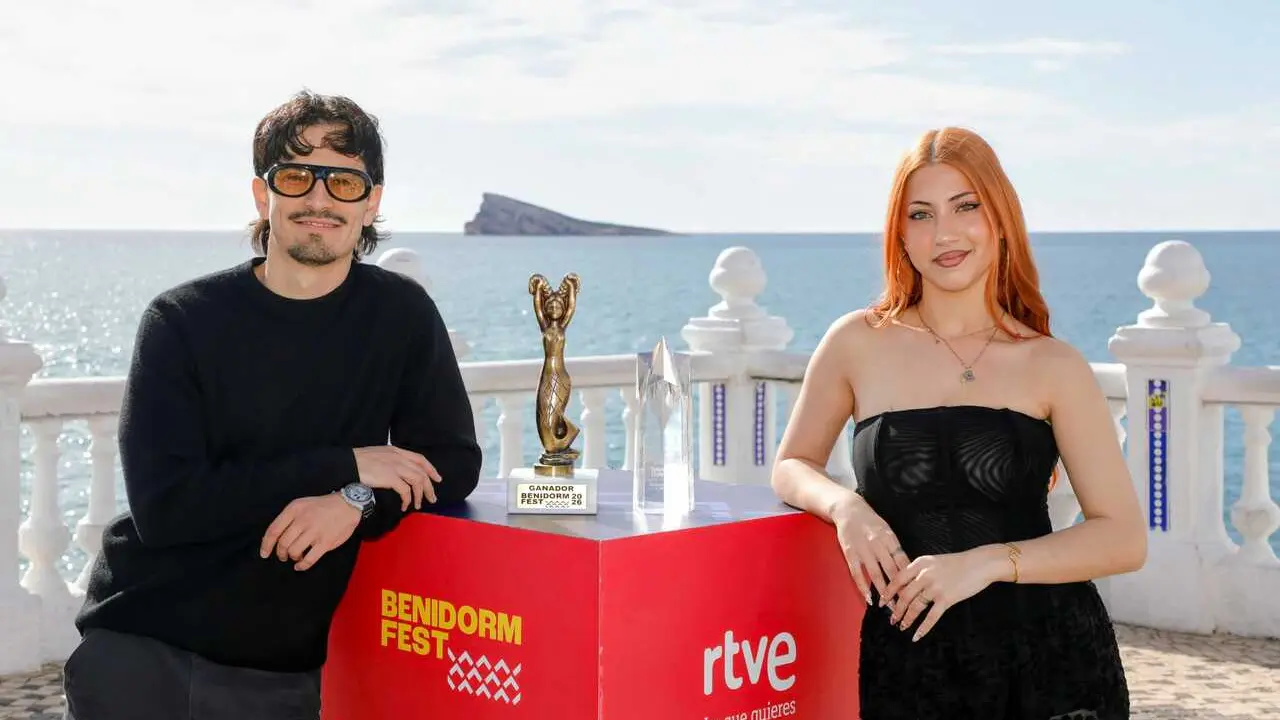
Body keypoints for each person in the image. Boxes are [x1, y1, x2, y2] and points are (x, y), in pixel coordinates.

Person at [61, 90, 483, 719]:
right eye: (297, 176)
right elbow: (168, 509)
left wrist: (356, 500)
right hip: (145, 649)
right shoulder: (182, 321)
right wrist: (342, 464)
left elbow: (451, 460)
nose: (319, 199)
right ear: (265, 196)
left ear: (371, 203)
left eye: (343, 181)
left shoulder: (401, 316)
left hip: (280, 669)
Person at [770, 127, 1146, 719]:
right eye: (921, 214)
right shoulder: (856, 343)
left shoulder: (1053, 365)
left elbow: (1123, 538)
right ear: (901, 234)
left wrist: (986, 562)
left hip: (1049, 661)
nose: (945, 233)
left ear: (999, 217)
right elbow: (793, 464)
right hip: (911, 657)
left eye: (965, 206)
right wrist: (846, 508)